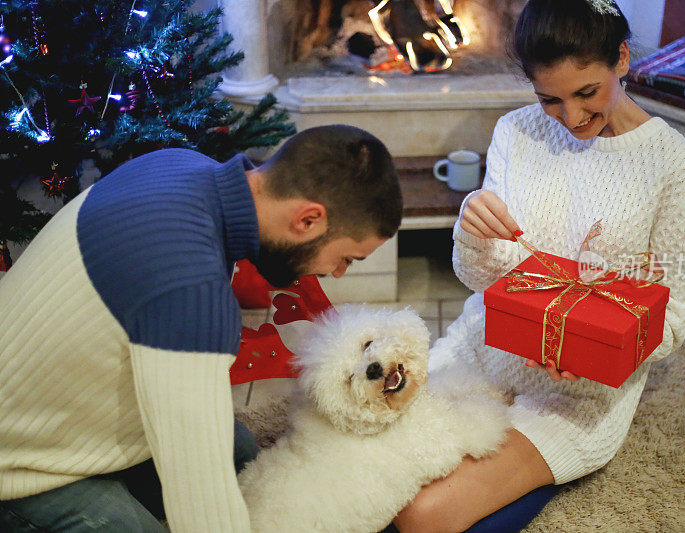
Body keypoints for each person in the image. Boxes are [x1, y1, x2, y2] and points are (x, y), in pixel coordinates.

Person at [392, 0, 685, 531]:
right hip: (487, 345)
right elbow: (483, 279)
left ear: (623, 60)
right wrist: (473, 226)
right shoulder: (517, 133)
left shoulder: (676, 169)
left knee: (421, 516)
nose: (571, 117)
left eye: (587, 92)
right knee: (372, 462)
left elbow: (677, 308)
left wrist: (596, 352)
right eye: (549, 99)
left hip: (577, 394)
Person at [0, 125, 402, 532]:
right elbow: (199, 491)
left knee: (243, 451)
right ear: (308, 220)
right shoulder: (190, 290)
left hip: (71, 406)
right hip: (20, 466)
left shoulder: (180, 164)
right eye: (346, 258)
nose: (335, 273)